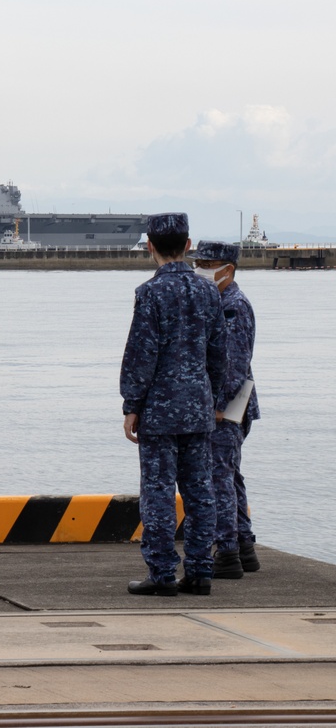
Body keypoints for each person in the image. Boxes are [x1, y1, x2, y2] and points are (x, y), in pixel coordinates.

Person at [120, 213, 227, 596]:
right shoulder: (208, 292)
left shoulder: (150, 294)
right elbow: (220, 355)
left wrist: (131, 404)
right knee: (201, 492)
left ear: (150, 246)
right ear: (188, 244)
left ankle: (163, 573)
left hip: (160, 411)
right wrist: (214, 399)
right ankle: (200, 571)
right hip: (198, 408)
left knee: (159, 492)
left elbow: (141, 354)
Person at [189, 240, 261, 577]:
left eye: (206, 263)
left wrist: (217, 407)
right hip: (230, 404)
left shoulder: (233, 305)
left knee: (218, 477)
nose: (199, 269)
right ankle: (244, 548)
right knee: (229, 475)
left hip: (227, 407)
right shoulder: (218, 300)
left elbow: (234, 363)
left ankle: (227, 555)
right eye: (198, 262)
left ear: (227, 269)